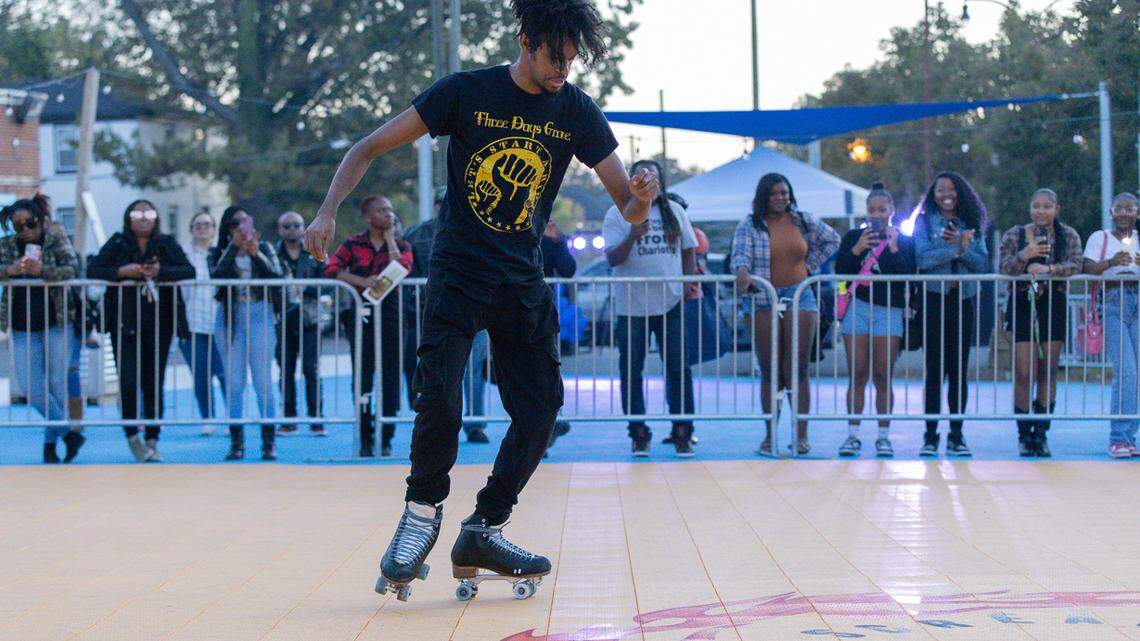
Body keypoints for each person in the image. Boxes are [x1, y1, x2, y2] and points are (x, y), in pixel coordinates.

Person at [303, 0, 658, 601]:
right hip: (461, 271)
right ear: (525, 39)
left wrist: (644, 199)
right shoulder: (465, 93)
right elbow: (366, 147)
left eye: (571, 62)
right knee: (439, 392)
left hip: (522, 279)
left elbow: (626, 205)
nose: (560, 73)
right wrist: (326, 210)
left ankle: (485, 528)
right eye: (554, 58)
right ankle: (420, 517)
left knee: (542, 409)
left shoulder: (575, 110)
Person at [731, 173, 840, 456]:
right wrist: (742, 273)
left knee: (798, 368)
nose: (781, 198)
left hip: (800, 293)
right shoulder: (750, 225)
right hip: (763, 295)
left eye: (785, 192)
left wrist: (809, 267)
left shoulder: (803, 220)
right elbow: (740, 257)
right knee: (770, 369)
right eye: (775, 193)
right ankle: (770, 436)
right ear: (764, 197)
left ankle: (800, 435)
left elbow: (832, 240)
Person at [603, 159, 698, 457]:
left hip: (671, 302)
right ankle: (638, 432)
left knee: (678, 368)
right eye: (640, 176)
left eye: (652, 177)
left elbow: (689, 250)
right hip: (632, 306)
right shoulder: (616, 214)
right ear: (631, 181)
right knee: (631, 370)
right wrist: (632, 236)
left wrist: (686, 285)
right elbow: (613, 259)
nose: (647, 181)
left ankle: (682, 430)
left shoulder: (675, 211)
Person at [88, 200, 194, 463]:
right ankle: (132, 435)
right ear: (128, 218)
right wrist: (121, 272)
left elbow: (188, 270)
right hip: (123, 322)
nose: (143, 218)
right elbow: (93, 269)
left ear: (156, 217)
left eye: (148, 213)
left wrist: (160, 272)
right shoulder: (117, 242)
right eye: (137, 213)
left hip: (160, 321)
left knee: (153, 381)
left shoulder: (165, 243)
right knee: (128, 381)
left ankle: (153, 439)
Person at [325, 195, 413, 458]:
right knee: (362, 377)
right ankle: (365, 435)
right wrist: (361, 282)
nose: (388, 214)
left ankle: (386, 437)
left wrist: (389, 239)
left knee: (390, 376)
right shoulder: (353, 243)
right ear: (367, 216)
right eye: (381, 210)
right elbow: (331, 269)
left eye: (390, 210)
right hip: (360, 316)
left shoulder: (402, 244)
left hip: (392, 316)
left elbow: (403, 267)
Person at [834, 182, 915, 458]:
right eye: (872, 210)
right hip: (857, 307)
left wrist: (893, 248)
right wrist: (857, 249)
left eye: (883, 209)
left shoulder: (903, 239)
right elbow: (841, 271)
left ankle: (883, 436)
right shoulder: (853, 237)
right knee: (857, 373)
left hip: (888, 311)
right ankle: (852, 435)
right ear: (866, 211)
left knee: (882, 374)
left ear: (892, 210)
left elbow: (908, 273)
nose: (877, 214)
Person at [402, 190, 490, 444]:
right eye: (444, 203)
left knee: (473, 371)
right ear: (436, 204)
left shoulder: (480, 230)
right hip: (431, 313)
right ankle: (437, 424)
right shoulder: (415, 234)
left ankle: (474, 425)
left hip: (473, 312)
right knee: (435, 371)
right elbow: (407, 275)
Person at [999, 188, 1082, 457]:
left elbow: (1076, 264)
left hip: (1052, 303)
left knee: (1048, 370)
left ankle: (1041, 433)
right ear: (1030, 208)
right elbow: (1005, 267)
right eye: (1036, 206)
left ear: (1056, 209)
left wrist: (1050, 269)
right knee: (1024, 372)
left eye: (1047, 206)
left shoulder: (1067, 234)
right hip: (1023, 304)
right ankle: (1024, 432)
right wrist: (1025, 255)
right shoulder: (1015, 234)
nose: (1041, 211)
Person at [913, 171, 991, 457]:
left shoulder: (973, 223)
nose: (946, 193)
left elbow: (982, 263)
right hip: (934, 299)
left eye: (951, 188)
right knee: (934, 370)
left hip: (964, 299)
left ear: (960, 191)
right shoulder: (923, 222)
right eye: (939, 189)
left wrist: (962, 248)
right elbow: (922, 259)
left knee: (959, 369)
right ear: (932, 195)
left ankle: (957, 434)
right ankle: (930, 435)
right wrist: (956, 247)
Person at [0, 195, 83, 463]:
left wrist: (43, 270)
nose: (24, 230)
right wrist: (9, 270)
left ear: (40, 219)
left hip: (57, 320)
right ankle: (69, 432)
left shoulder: (55, 238)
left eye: (29, 223)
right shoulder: (8, 245)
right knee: (30, 386)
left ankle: (50, 445)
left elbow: (72, 268)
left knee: (57, 384)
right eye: (17, 225)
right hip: (22, 322)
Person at [210, 206, 282, 461]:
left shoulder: (265, 248)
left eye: (244, 223)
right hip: (230, 317)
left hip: (260, 314)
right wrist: (233, 247)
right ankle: (236, 442)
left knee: (263, 381)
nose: (240, 228)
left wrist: (255, 253)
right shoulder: (219, 250)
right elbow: (216, 276)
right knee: (234, 382)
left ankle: (268, 442)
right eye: (234, 224)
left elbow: (276, 276)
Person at [1082, 192, 1140, 458]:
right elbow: (1088, 267)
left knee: (1138, 373)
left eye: (1130, 209)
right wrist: (1112, 263)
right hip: (1113, 301)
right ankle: (1118, 437)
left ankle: (1130, 436)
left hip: (1137, 299)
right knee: (1126, 370)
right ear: (1112, 212)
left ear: (1137, 213)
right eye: (1120, 208)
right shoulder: (1100, 237)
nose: (1125, 213)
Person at [275, 210, 326, 436]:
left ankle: (317, 418)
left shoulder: (314, 250)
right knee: (286, 370)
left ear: (303, 227)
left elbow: (328, 280)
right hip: (283, 320)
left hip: (310, 319)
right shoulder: (274, 254)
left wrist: (306, 288)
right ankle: (289, 418)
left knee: (311, 369)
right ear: (280, 230)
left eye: (296, 225)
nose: (291, 229)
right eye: (287, 226)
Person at [179, 210, 228, 436]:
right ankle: (208, 417)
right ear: (191, 229)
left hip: (220, 322)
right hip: (192, 324)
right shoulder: (183, 254)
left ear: (214, 228)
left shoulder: (221, 253)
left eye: (206, 224)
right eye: (197, 225)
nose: (202, 228)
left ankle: (233, 418)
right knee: (201, 375)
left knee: (225, 373)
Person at [541, 219, 576, 454]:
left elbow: (568, 270)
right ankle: (539, 429)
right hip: (509, 310)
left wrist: (557, 242)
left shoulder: (549, 236)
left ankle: (548, 424)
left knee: (547, 369)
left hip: (542, 312)